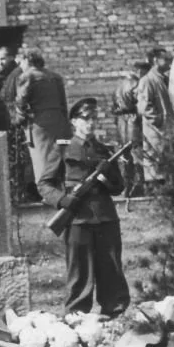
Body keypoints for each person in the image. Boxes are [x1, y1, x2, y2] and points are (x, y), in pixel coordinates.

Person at [38, 98, 130, 317]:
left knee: (111, 270)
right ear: (74, 122)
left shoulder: (105, 151)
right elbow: (44, 184)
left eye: (93, 118)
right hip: (77, 218)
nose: (90, 123)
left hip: (106, 217)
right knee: (79, 273)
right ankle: (76, 317)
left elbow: (118, 188)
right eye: (85, 119)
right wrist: (62, 200)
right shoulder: (62, 149)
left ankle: (113, 314)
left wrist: (108, 175)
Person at [14, 48, 72, 198]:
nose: (20, 65)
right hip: (59, 122)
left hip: (40, 125)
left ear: (27, 60)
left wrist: (19, 119)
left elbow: (21, 102)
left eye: (20, 62)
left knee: (43, 162)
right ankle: (62, 193)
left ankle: (49, 196)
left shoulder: (27, 77)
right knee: (60, 160)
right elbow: (63, 104)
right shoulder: (56, 77)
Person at [0, 46, 40, 203]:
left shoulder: (18, 74)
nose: (0, 63)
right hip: (11, 124)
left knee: (23, 161)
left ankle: (26, 192)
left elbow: (21, 101)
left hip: (18, 125)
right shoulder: (8, 76)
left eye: (3, 58)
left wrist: (17, 120)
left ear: (12, 58)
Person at [135, 47, 174, 191]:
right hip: (155, 130)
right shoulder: (147, 80)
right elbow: (144, 106)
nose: (170, 61)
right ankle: (155, 189)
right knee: (155, 161)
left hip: (165, 128)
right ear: (155, 61)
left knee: (164, 159)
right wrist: (157, 120)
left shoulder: (163, 78)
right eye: (166, 59)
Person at [110, 60, 150, 196]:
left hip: (121, 122)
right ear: (140, 71)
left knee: (125, 154)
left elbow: (113, 107)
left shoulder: (120, 84)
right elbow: (141, 105)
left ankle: (127, 186)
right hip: (134, 121)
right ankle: (139, 186)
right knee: (138, 153)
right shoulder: (138, 84)